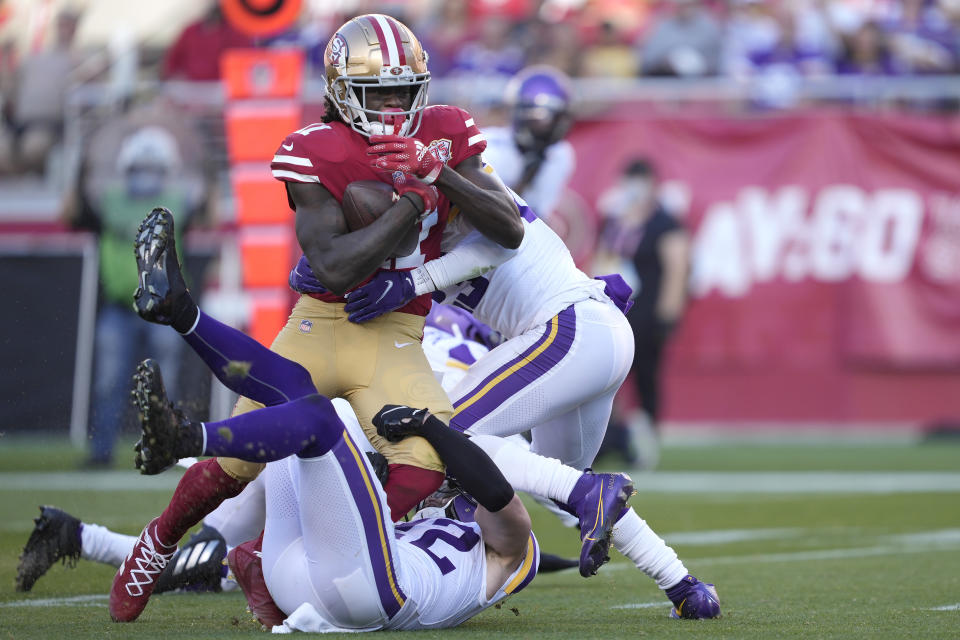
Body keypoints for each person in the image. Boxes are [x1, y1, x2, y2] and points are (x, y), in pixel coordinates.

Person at [109, 13, 529, 623]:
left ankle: (276, 553)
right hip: (323, 320)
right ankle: (156, 543)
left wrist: (438, 173)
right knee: (230, 467)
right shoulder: (316, 150)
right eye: (377, 93)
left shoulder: (442, 133)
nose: (392, 107)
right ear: (340, 93)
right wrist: (413, 201)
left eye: (403, 92)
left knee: (425, 463)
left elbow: (509, 229)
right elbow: (333, 267)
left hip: (397, 330)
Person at [66, 122, 203, 467]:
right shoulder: (110, 200)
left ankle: (165, 448)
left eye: (152, 169)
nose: (145, 175)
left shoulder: (175, 201)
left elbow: (209, 211)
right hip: (120, 307)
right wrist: (79, 168)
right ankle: (101, 453)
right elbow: (69, 214)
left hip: (163, 309)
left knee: (164, 385)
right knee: (109, 383)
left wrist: (207, 164)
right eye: (139, 169)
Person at [594, 158, 691, 468]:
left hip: (648, 310)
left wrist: (668, 312)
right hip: (617, 307)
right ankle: (615, 436)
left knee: (645, 375)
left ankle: (648, 436)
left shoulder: (664, 222)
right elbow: (603, 258)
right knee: (609, 374)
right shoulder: (616, 220)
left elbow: (678, 267)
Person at [480, 66, 575, 221]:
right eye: (538, 120)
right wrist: (527, 175)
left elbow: (536, 219)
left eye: (556, 118)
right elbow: (491, 216)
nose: (548, 127)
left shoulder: (561, 153)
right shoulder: (488, 148)